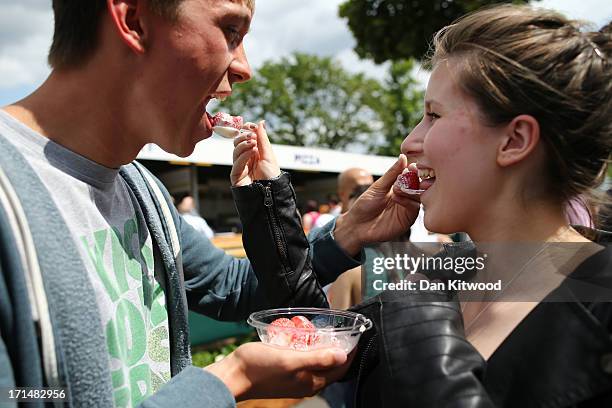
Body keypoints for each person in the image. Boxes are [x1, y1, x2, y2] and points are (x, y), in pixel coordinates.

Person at [0, 1, 419, 406]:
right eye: (231, 31)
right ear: (133, 20)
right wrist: (232, 379)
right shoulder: (9, 194)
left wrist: (345, 235)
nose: (245, 69)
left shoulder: (142, 190)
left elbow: (233, 289)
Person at [237, 4, 612, 406]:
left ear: (515, 141)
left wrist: (410, 293)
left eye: (433, 115)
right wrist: (270, 202)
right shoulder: (451, 271)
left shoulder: (599, 305)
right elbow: (315, 339)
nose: (409, 143)